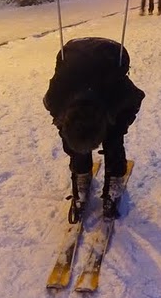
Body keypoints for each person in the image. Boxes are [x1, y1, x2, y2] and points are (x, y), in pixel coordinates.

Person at [43, 37, 145, 219]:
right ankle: (81, 174)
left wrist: (120, 128)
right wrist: (65, 131)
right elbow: (57, 117)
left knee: (114, 139)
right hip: (73, 58)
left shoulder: (117, 92)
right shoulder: (57, 97)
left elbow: (136, 99)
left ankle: (115, 178)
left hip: (110, 55)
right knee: (74, 140)